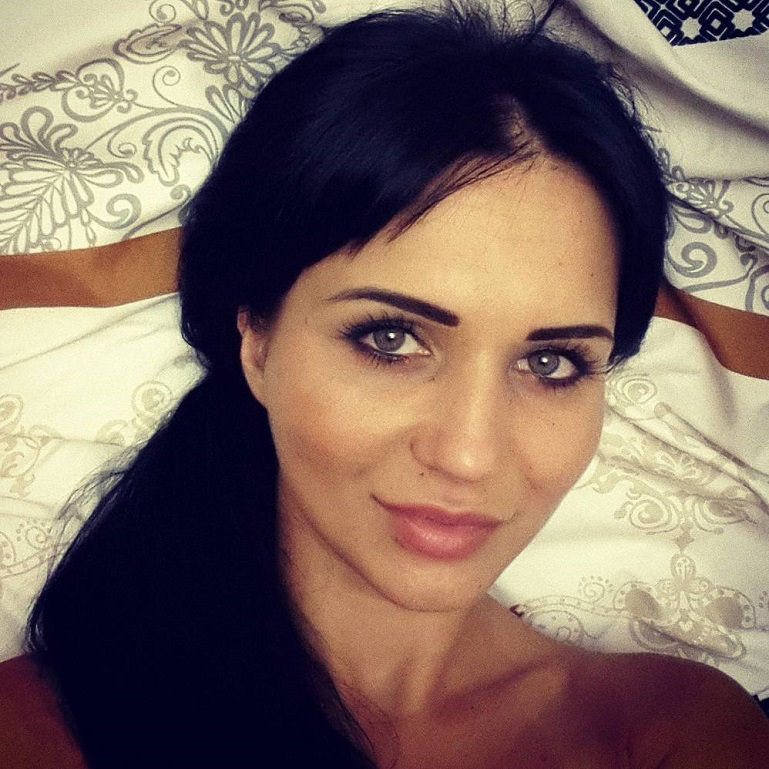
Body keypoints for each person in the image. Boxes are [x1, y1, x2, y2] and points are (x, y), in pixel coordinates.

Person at [1, 3, 767, 768]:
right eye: (390, 338)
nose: (468, 454)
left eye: (550, 362)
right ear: (257, 340)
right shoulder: (33, 730)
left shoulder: (672, 731)